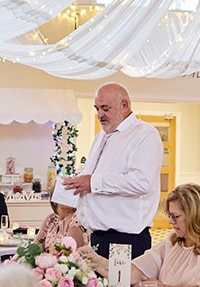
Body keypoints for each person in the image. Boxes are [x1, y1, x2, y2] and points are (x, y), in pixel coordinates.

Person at [63, 82, 162, 258]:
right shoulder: (101, 136)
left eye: (105, 108)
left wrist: (92, 182)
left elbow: (141, 181)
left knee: (120, 279)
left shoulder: (144, 134)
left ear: (124, 105)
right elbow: (94, 175)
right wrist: (77, 182)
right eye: (97, 109)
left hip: (124, 239)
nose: (100, 114)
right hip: (97, 236)